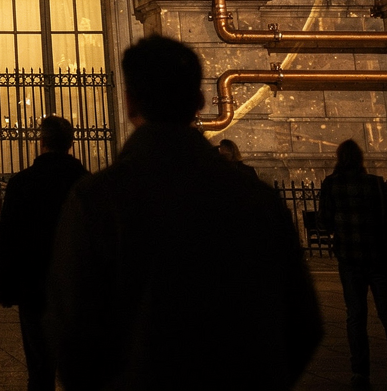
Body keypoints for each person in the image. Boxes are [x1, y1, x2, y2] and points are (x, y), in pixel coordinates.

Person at [47, 36, 322, 391]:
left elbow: (69, 325)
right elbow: (303, 322)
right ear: (200, 101)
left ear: (130, 103)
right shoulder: (256, 196)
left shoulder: (97, 198)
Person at [0, 116, 88, 391]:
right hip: (76, 287)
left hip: (33, 284)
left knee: (39, 368)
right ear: (71, 144)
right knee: (78, 369)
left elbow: (7, 238)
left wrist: (4, 286)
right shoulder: (85, 183)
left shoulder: (22, 183)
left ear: (42, 142)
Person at [318, 138, 387, 391]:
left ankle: (360, 371)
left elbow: (325, 220)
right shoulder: (376, 183)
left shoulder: (331, 185)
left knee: (356, 317)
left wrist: (342, 232)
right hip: (379, 258)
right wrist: (384, 239)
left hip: (350, 258)